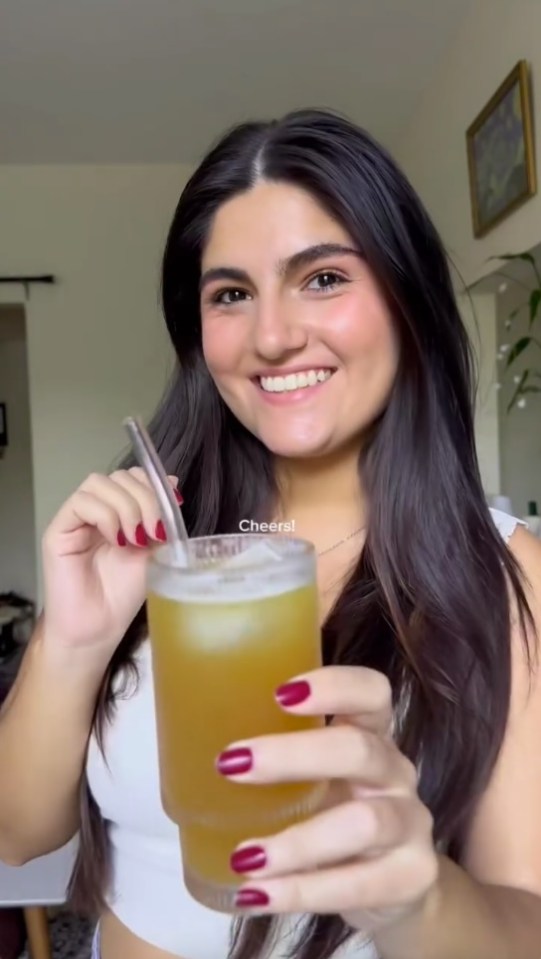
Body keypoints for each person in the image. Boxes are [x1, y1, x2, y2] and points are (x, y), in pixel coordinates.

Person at [1, 108, 541, 959]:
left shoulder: (504, 572)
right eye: (230, 294)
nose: (273, 335)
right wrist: (73, 640)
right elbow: (15, 836)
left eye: (322, 277)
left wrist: (420, 899)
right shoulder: (158, 547)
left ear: (405, 296)